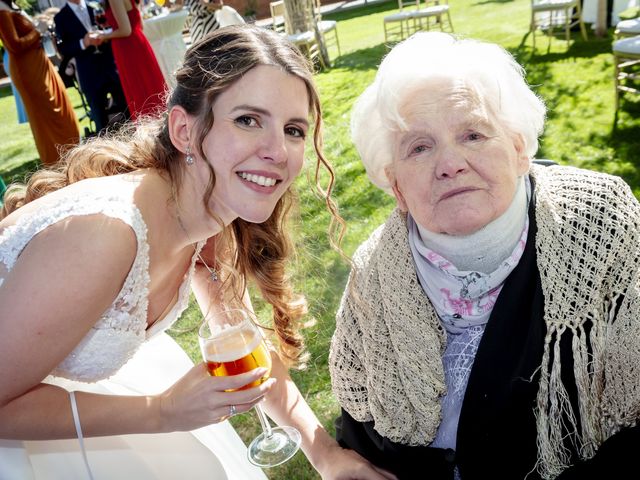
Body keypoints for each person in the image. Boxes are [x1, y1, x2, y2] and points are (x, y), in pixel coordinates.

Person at [0, 25, 395, 480]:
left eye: (293, 130)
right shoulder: (104, 235)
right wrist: (162, 411)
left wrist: (324, 452)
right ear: (184, 131)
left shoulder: (209, 217)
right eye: (248, 120)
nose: (277, 150)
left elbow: (243, 341)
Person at [329, 31, 640, 480]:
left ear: (518, 150)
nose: (449, 163)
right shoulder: (373, 273)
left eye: (472, 134)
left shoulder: (599, 225)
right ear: (396, 186)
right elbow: (358, 425)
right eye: (419, 146)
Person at [0, 0, 79, 166]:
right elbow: (15, 45)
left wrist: (39, 24)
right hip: (29, 72)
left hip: (40, 65)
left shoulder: (10, 5)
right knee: (51, 118)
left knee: (62, 114)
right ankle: (58, 163)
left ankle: (72, 156)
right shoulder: (1, 9)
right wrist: (38, 30)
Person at [54, 0, 128, 134]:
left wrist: (105, 34)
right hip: (89, 75)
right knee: (100, 121)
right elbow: (63, 49)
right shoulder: (60, 17)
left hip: (110, 69)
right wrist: (84, 42)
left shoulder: (96, 8)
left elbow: (111, 28)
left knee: (127, 112)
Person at [97, 0, 166, 120]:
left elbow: (125, 30)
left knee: (139, 90)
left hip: (128, 49)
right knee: (149, 85)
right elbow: (138, 24)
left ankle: (150, 127)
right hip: (138, 43)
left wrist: (103, 36)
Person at [179, 0, 245, 45]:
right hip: (195, 26)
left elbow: (220, 6)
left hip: (211, 23)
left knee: (215, 46)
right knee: (198, 48)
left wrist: (205, 4)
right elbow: (180, 6)